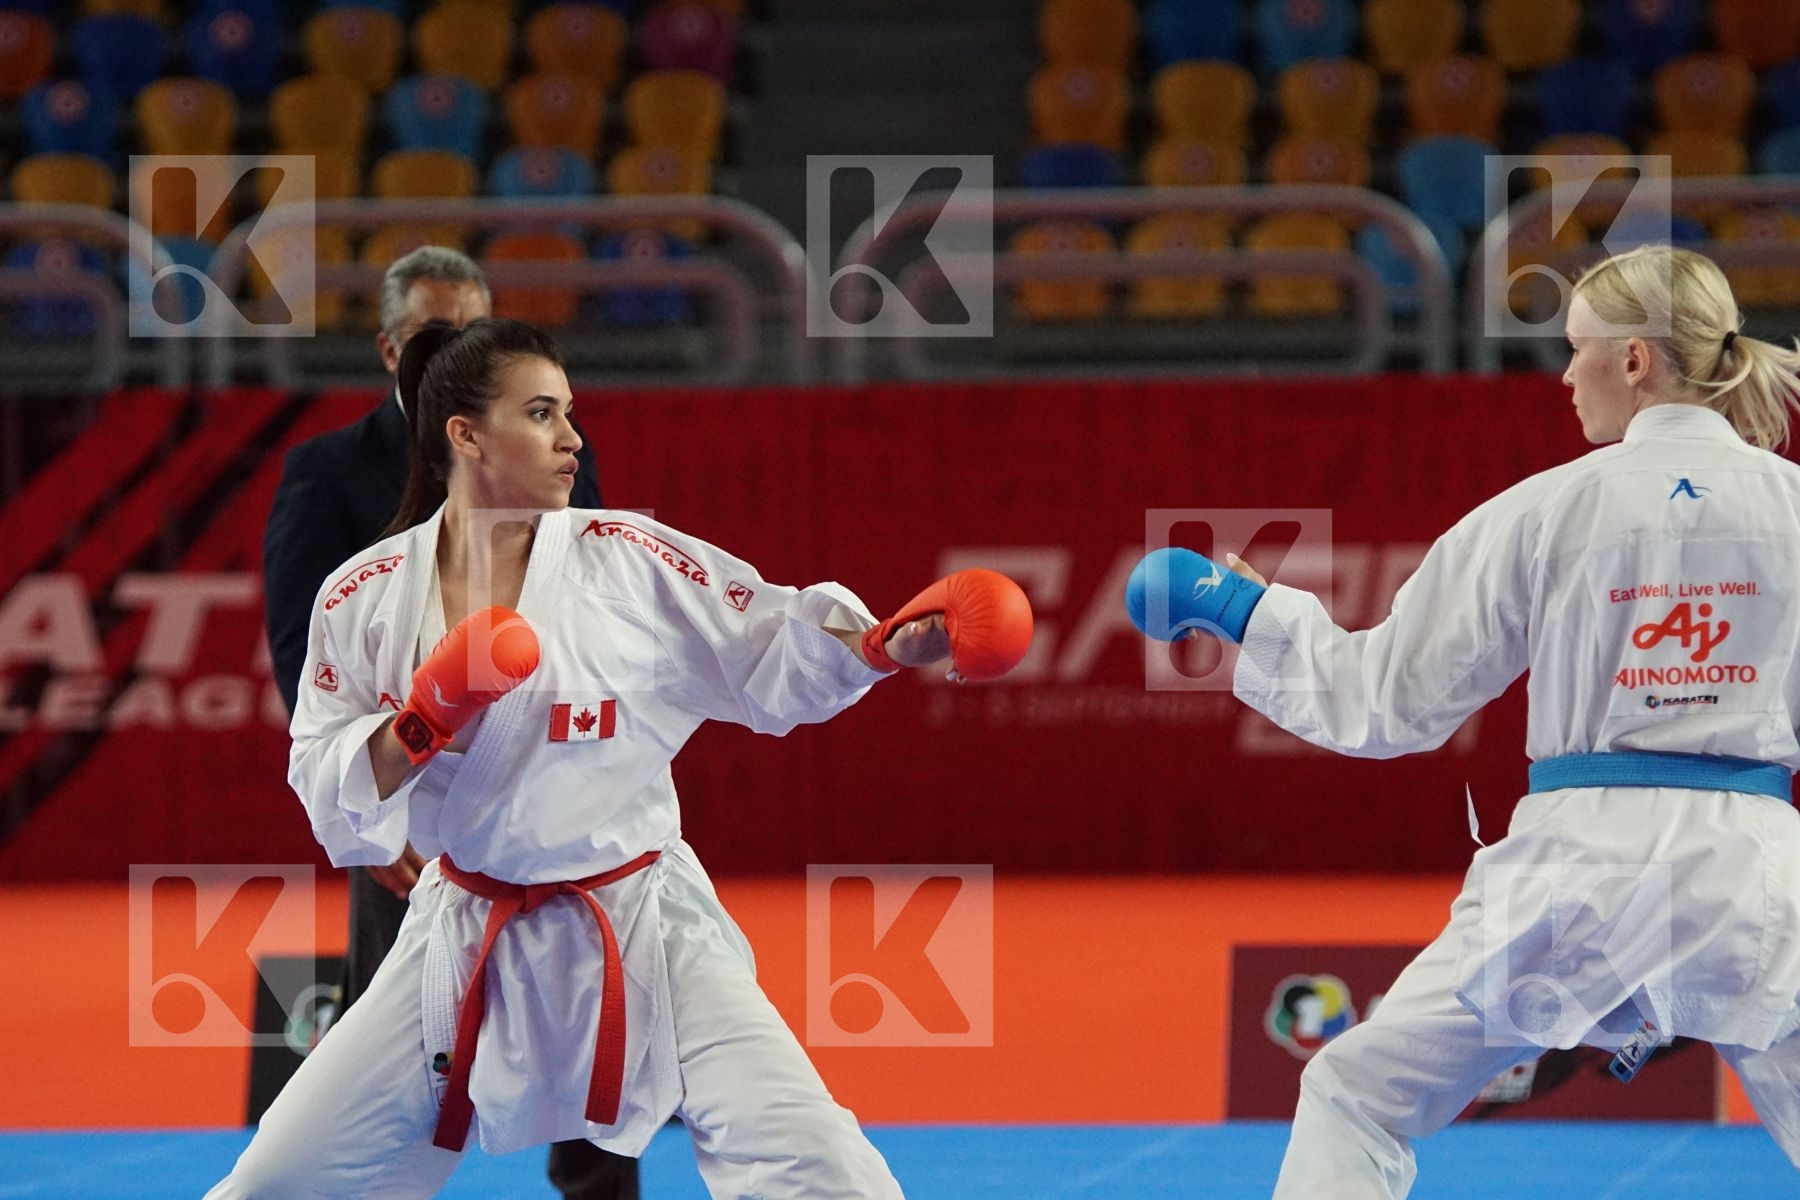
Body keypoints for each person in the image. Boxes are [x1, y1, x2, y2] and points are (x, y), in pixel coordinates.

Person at [217, 318, 1032, 1198]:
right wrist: (422, 720)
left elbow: (765, 642)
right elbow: (327, 787)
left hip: (644, 918)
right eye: (540, 414)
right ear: (465, 434)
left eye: (570, 413)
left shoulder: (628, 561)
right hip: (464, 928)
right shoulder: (364, 594)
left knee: (821, 1165)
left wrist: (878, 649)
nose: (572, 439)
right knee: (278, 1180)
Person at [1127, 244, 1800, 1197]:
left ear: (1637, 360)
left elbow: (1389, 701)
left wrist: (1245, 612)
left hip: (1579, 875)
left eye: (1578, 350)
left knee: (1356, 1097)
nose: (1567, 376)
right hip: (1756, 878)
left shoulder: (1544, 510)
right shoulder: (1793, 510)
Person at [260, 247, 627, 1199]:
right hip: (409, 803)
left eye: (470, 333)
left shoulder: (550, 454)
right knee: (388, 1036)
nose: (451, 351)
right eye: (432, 335)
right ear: (388, 348)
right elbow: (305, 655)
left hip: (549, 792)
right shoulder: (328, 471)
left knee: (587, 1017)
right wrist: (370, 810)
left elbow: (596, 611)